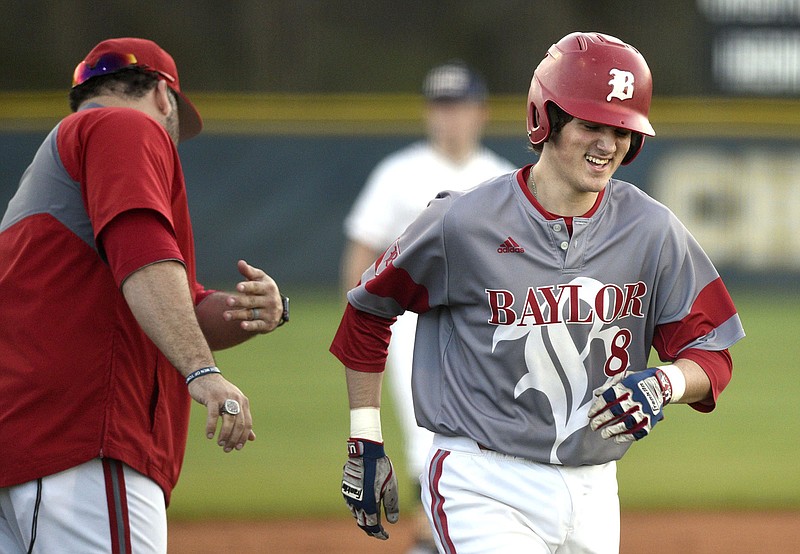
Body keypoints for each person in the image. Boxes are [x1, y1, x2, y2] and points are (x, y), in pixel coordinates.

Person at [331, 31, 745, 553]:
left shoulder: (651, 229)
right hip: (481, 479)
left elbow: (711, 356)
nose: (607, 144)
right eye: (591, 124)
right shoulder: (462, 222)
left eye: (622, 129)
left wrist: (663, 383)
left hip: (595, 489)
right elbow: (368, 310)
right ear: (544, 118)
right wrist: (364, 433)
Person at [0, 37, 289, 553]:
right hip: (82, 443)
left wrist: (253, 310)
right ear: (162, 94)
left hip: (29, 451)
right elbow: (143, 257)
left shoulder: (52, 168)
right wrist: (204, 373)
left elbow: (169, 301)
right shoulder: (125, 125)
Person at [339, 60, 515, 552]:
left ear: (481, 112)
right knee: (426, 435)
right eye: (441, 106)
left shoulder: (501, 176)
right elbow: (362, 249)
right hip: (410, 328)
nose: (450, 117)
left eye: (459, 106)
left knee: (486, 433)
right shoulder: (397, 173)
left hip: (483, 327)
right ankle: (432, 533)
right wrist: (357, 327)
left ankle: (460, 527)